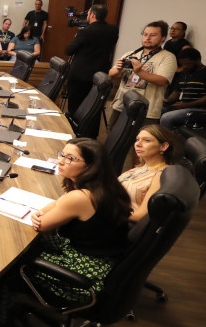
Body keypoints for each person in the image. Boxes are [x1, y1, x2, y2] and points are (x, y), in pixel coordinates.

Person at [28, 139, 131, 303]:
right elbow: (58, 203)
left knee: (16, 261)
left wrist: (40, 215)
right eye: (62, 154)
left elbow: (42, 225)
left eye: (70, 158)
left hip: (81, 274)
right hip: (101, 260)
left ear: (90, 166)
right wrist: (41, 212)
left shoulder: (80, 197)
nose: (60, 161)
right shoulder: (104, 185)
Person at [108, 20, 176, 127]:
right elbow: (111, 73)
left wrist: (139, 72)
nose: (147, 38)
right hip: (122, 104)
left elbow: (162, 80)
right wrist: (118, 69)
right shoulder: (131, 53)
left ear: (163, 38)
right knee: (112, 133)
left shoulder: (168, 57)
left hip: (146, 110)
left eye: (153, 35)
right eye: (145, 34)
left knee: (140, 140)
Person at [63, 4, 119, 115]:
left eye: (88, 14)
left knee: (75, 107)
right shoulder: (113, 30)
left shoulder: (85, 31)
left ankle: (74, 130)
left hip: (80, 75)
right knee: (94, 107)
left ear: (92, 15)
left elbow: (69, 51)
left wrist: (76, 38)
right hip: (100, 74)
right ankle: (90, 132)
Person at [118, 125, 174, 223]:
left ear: (163, 146)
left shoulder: (161, 175)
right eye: (137, 139)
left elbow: (140, 216)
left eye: (146, 140)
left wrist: (105, 215)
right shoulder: (142, 167)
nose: (138, 144)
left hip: (120, 223)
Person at [161, 48, 206, 130]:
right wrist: (167, 101)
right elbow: (177, 92)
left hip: (199, 111)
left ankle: (170, 141)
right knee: (156, 110)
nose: (184, 67)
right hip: (184, 108)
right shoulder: (184, 74)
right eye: (182, 64)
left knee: (166, 118)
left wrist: (187, 105)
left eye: (187, 64)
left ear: (197, 60)